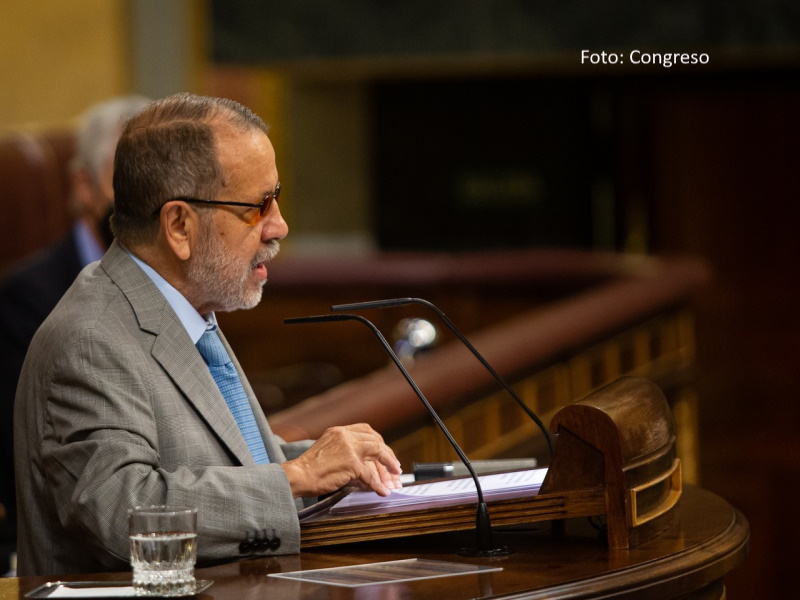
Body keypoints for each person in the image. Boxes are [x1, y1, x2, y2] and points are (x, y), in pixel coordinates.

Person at [13, 92, 403, 577]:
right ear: (179, 225)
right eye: (259, 206)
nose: (279, 226)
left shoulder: (184, 308)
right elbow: (124, 513)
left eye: (276, 198)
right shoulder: (91, 339)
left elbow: (212, 462)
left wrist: (324, 468)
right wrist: (296, 476)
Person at [0, 95, 150, 574]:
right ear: (84, 185)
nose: (146, 197)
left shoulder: (181, 284)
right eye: (126, 176)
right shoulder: (27, 297)